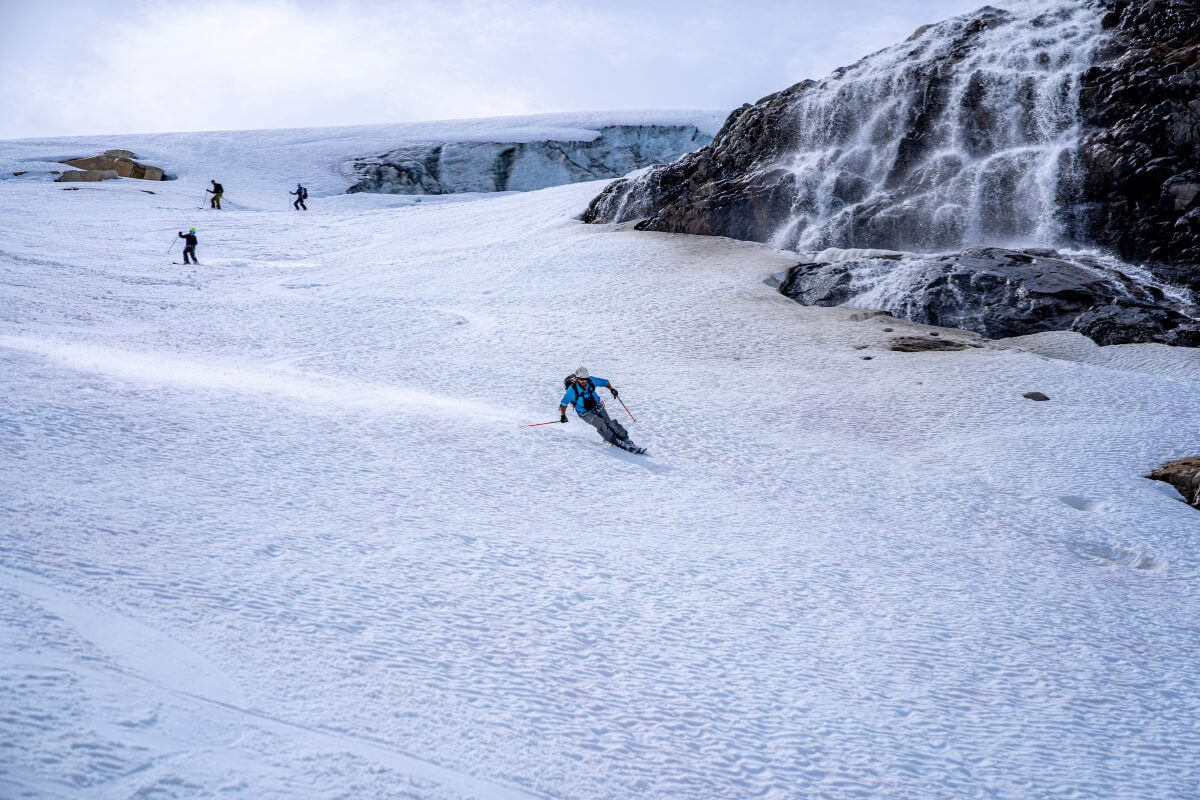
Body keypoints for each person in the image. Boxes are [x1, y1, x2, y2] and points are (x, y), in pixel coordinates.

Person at [559, 367, 645, 453]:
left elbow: (605, 382)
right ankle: (615, 441)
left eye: (585, 379)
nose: (584, 381)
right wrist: (563, 415)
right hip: (585, 413)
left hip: (597, 406)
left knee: (609, 423)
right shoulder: (571, 391)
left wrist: (612, 389)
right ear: (577, 378)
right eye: (581, 379)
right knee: (601, 423)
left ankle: (625, 439)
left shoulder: (591, 380)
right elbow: (563, 404)